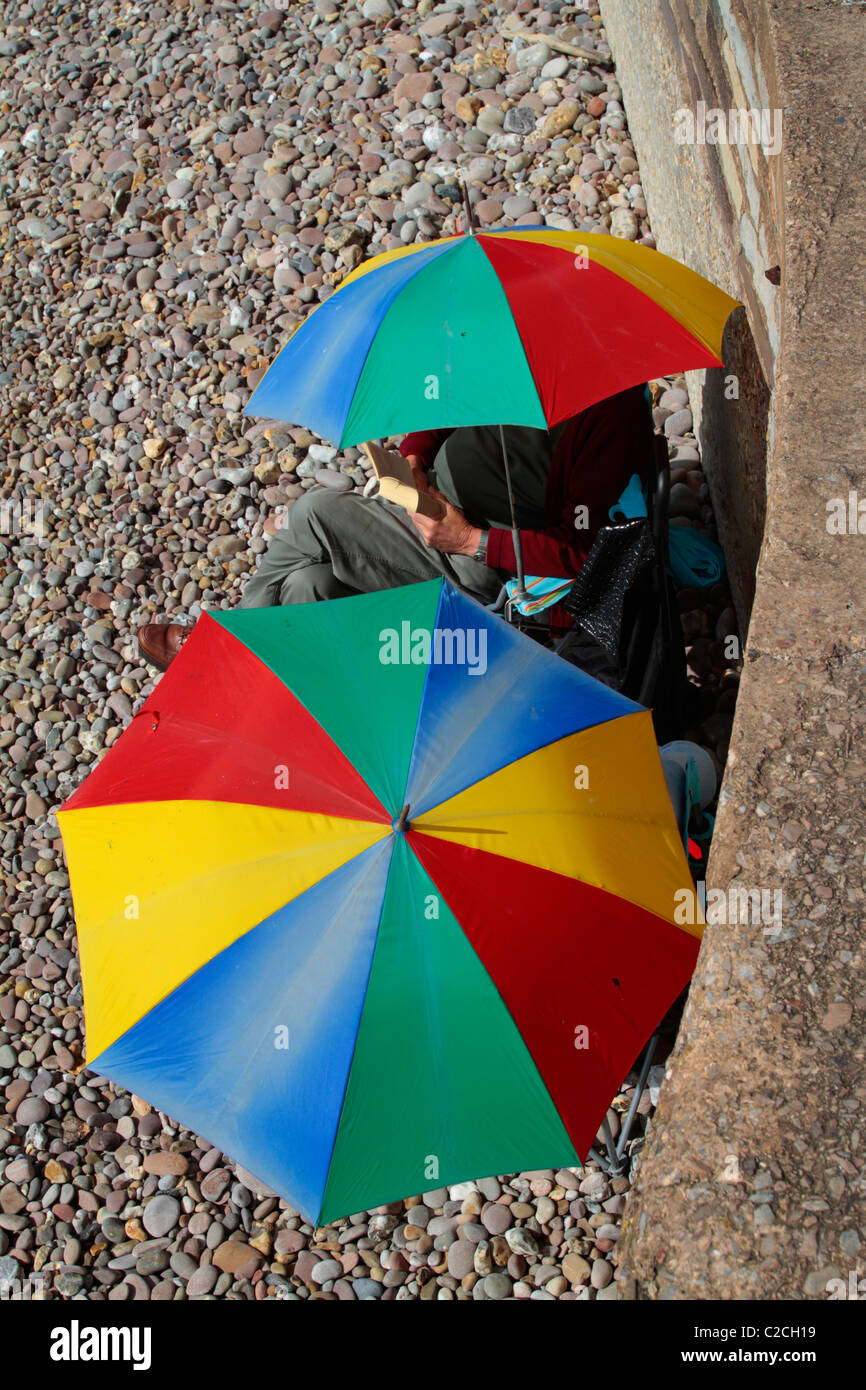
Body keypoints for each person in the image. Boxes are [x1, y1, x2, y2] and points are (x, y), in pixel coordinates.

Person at [137, 383, 654, 669]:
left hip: (486, 568)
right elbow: (451, 401)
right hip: (436, 521)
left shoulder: (608, 414)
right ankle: (302, 691)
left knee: (317, 512)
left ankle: (237, 654)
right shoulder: (515, 359)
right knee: (308, 587)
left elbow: (588, 559)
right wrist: (415, 460)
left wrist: (471, 541)